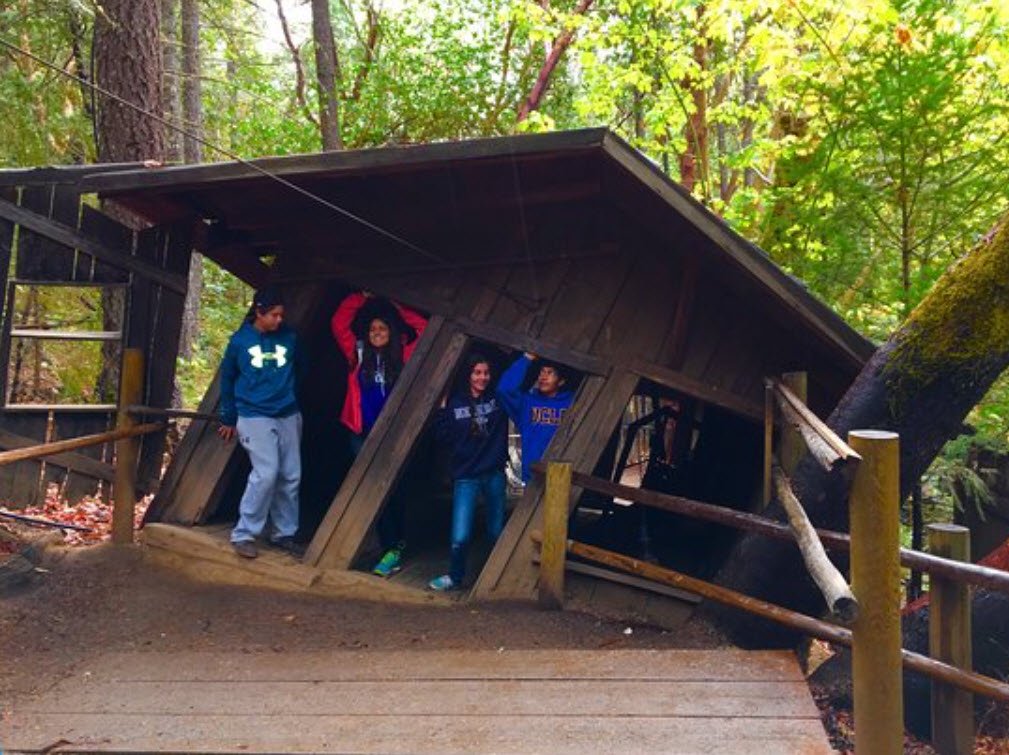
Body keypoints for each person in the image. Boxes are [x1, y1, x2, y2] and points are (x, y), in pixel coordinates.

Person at [331, 290, 427, 576]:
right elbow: (339, 323)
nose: (377, 333)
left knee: (393, 489)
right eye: (373, 329)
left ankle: (395, 545)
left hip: (394, 435)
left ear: (392, 331)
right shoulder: (357, 355)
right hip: (362, 434)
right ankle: (386, 545)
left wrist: (396, 305)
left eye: (382, 328)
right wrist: (361, 296)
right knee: (370, 486)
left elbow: (423, 329)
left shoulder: (405, 354)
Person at [218, 286, 303, 559]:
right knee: (266, 474)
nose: (279, 320)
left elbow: (302, 369)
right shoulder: (240, 341)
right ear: (259, 312)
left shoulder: (290, 338)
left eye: (281, 315)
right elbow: (227, 379)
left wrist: (292, 395)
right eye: (274, 315)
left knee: (291, 475)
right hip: (254, 415)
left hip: (288, 413)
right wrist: (229, 417)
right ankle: (244, 534)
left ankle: (283, 533)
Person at [428, 354, 509, 592]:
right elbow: (442, 437)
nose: (482, 377)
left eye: (486, 373)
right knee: (460, 537)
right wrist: (441, 410)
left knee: (496, 532)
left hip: (494, 473)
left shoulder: (498, 399)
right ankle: (455, 577)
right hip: (466, 476)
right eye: (477, 373)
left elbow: (514, 387)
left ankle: (498, 579)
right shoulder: (455, 403)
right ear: (468, 375)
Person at [497, 352, 575, 483]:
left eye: (550, 373)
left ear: (561, 381)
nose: (543, 377)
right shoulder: (527, 402)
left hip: (561, 471)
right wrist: (527, 358)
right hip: (532, 472)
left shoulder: (572, 403)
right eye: (541, 372)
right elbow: (504, 390)